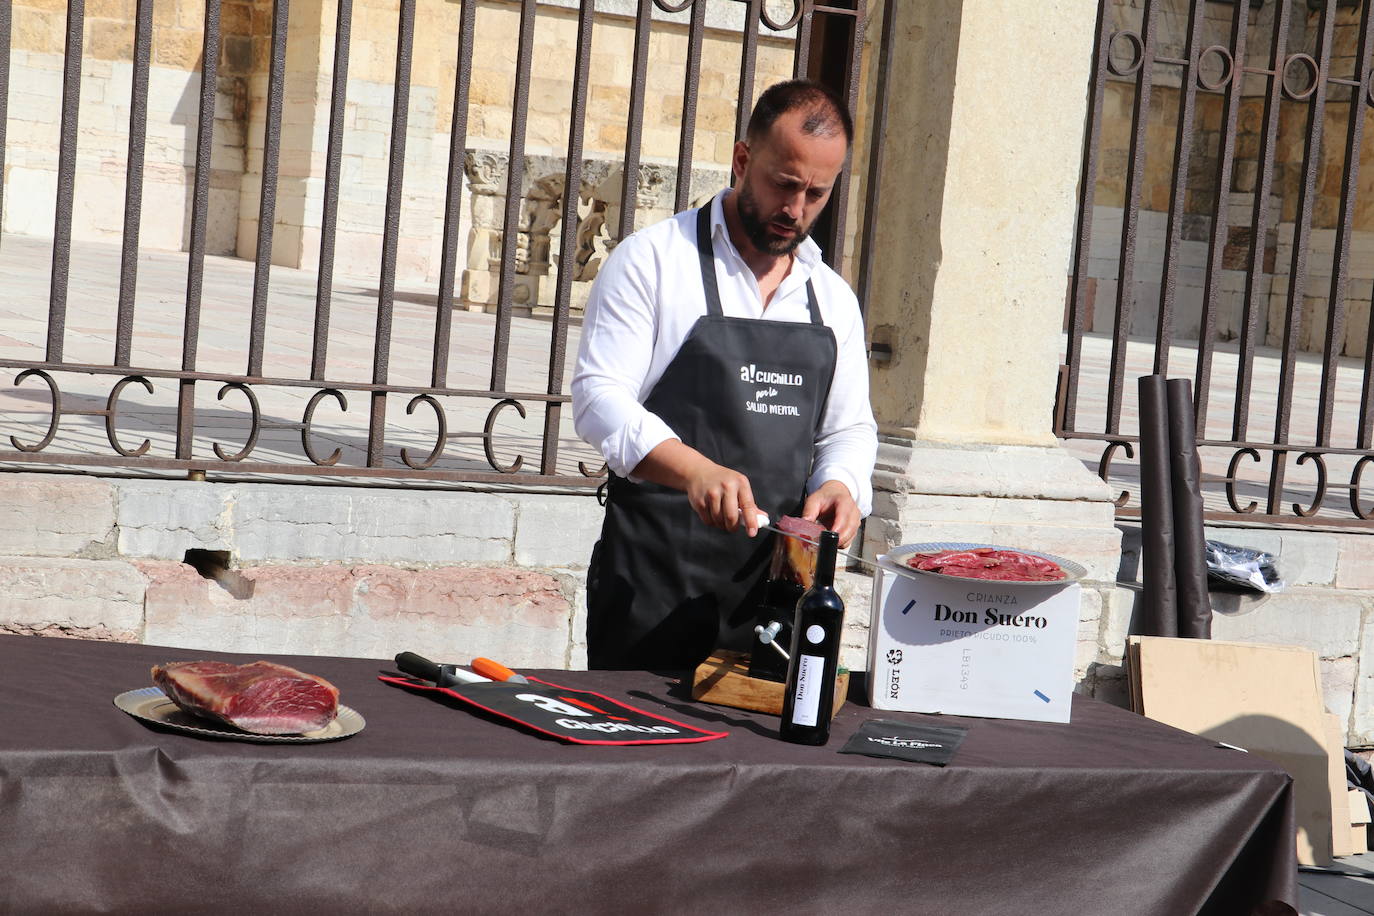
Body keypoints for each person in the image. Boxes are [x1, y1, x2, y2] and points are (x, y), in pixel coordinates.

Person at [572, 79, 878, 671]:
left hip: (774, 596)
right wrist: (695, 471)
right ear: (742, 160)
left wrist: (842, 484)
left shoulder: (833, 300)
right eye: (783, 184)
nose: (796, 209)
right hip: (652, 584)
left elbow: (849, 429)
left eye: (817, 193)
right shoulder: (654, 261)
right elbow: (598, 399)